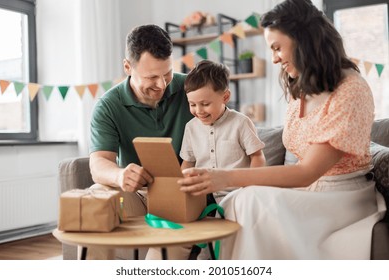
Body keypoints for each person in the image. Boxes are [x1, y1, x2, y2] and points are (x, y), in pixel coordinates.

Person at [177, 0, 386, 259]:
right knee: (243, 200)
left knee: (249, 200)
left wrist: (224, 177)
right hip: (309, 193)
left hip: (342, 196)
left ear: (303, 40)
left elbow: (307, 172)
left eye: (277, 48)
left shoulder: (351, 89)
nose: (274, 58)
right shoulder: (301, 89)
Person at [88, 24, 193, 259]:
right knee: (96, 199)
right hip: (136, 195)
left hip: (182, 197)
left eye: (167, 73)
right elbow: (98, 166)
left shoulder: (192, 88)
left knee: (167, 243)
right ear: (127, 67)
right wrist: (120, 175)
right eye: (151, 77)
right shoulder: (108, 106)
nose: (162, 84)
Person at [180, 59, 266, 203]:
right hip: (203, 196)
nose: (199, 111)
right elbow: (188, 163)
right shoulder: (190, 127)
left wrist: (250, 186)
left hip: (237, 194)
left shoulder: (241, 122)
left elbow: (257, 156)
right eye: (192, 104)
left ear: (225, 97)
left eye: (205, 104)